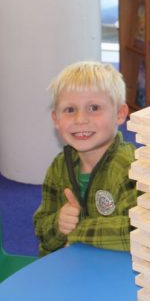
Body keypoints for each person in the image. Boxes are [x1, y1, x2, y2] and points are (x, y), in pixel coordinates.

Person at [33, 61, 137, 256]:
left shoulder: (130, 167)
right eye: (70, 110)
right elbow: (41, 231)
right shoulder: (59, 167)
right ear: (56, 119)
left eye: (94, 107)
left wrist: (77, 231)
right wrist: (59, 224)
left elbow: (139, 231)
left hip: (117, 273)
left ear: (120, 114)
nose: (80, 119)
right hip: (68, 268)